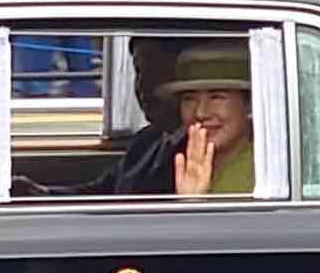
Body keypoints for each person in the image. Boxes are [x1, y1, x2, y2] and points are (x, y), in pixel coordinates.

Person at [14, 38, 183, 197]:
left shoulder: (193, 154)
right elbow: (102, 191)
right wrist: (43, 194)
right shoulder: (146, 140)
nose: (143, 85)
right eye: (139, 71)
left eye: (156, 72)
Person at [159, 42, 255, 196]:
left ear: (249, 104)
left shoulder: (258, 179)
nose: (200, 113)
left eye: (216, 97)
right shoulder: (179, 165)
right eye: (189, 98)